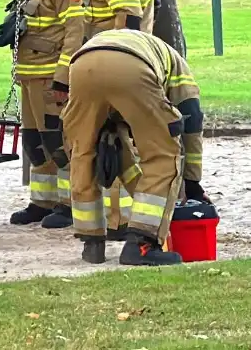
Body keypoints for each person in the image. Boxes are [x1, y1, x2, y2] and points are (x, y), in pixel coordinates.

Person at [62, 28, 205, 266]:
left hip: (81, 65)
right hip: (131, 67)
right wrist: (192, 182)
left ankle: (92, 242)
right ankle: (141, 245)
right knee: (162, 155)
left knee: (84, 150)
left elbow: (122, 142)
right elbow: (191, 121)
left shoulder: (143, 45)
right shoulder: (180, 70)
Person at [62, 0, 159, 239]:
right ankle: (122, 218)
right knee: (120, 139)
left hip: (114, 65)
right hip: (127, 63)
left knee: (106, 142)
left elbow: (128, 21)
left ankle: (116, 220)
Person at [0, 0, 88, 228]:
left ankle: (67, 203)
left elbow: (74, 33)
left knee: (56, 140)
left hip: (50, 77)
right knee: (34, 141)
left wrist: (63, 78)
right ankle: (41, 201)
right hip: (30, 74)